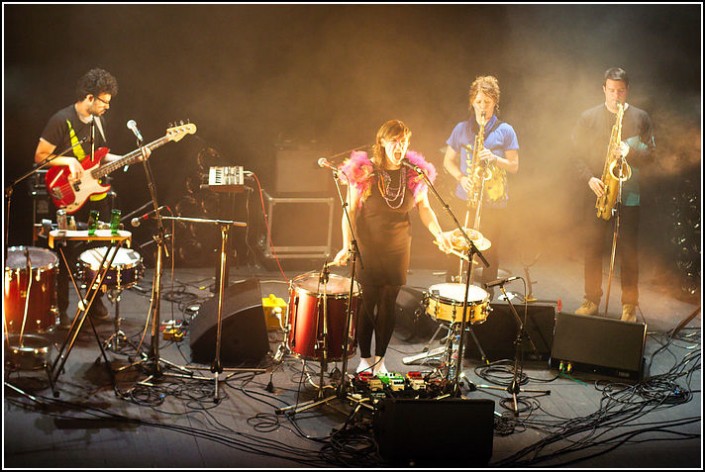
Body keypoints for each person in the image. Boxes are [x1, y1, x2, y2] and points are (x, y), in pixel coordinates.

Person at [332, 119, 453, 375]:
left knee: (389, 302)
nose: (399, 147)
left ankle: (380, 361)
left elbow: (425, 208)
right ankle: (364, 359)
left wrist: (439, 234)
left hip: (398, 245)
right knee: (368, 302)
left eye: (403, 142)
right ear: (383, 143)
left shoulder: (415, 174)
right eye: (394, 142)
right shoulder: (365, 171)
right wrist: (346, 245)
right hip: (368, 244)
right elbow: (350, 212)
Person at [34, 68, 124, 328]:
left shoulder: (99, 121)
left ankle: (94, 303)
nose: (107, 106)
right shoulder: (61, 120)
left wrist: (127, 159)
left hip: (95, 194)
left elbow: (99, 157)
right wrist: (69, 160)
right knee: (66, 255)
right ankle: (61, 309)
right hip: (68, 194)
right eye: (104, 101)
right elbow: (40, 156)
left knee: (100, 251)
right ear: (88, 98)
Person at [572, 67, 655, 322]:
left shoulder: (640, 117)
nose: (615, 96)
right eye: (611, 91)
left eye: (620, 91)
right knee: (592, 248)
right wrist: (589, 178)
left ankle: (629, 305)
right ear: (603, 90)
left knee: (629, 251)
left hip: (629, 195)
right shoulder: (588, 117)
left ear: (627, 90)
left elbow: (652, 156)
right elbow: (575, 154)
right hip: (599, 189)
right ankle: (591, 299)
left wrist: (629, 151)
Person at [442, 75, 519, 292]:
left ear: (495, 102)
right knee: (460, 246)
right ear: (471, 103)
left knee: (489, 252)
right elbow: (447, 161)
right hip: (465, 197)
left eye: (487, 101)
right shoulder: (461, 129)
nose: (482, 107)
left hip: (494, 202)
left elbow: (514, 165)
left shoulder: (506, 130)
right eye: (478, 102)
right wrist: (461, 178)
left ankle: (487, 295)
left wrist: (495, 158)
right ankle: (455, 289)